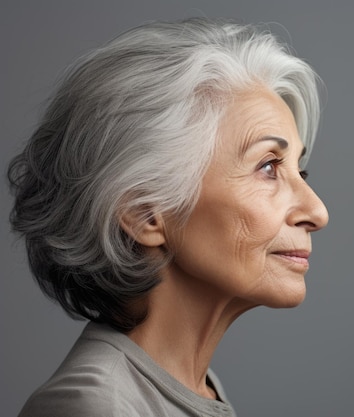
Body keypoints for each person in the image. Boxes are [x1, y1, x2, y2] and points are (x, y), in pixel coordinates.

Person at [8, 17, 329, 417]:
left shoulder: (197, 389)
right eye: (268, 167)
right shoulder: (93, 407)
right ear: (144, 213)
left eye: (300, 172)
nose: (317, 212)